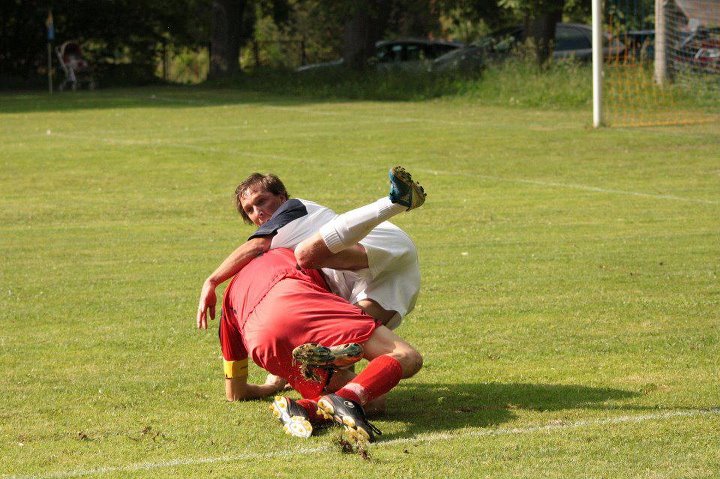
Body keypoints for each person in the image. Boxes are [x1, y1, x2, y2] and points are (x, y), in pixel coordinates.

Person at [220, 247, 423, 442]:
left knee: (373, 401)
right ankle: (346, 398)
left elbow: (236, 393)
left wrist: (269, 386)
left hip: (262, 341)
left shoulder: (229, 298)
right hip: (300, 301)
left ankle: (303, 409)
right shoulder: (290, 251)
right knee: (406, 357)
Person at [197, 166, 426, 332]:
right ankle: (352, 394)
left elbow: (256, 246)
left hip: (379, 241)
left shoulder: (290, 210)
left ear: (282, 197)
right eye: (249, 210)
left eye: (262, 201)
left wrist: (212, 281)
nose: (258, 212)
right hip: (389, 274)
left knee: (304, 254)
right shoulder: (280, 237)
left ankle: (395, 201)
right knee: (349, 332)